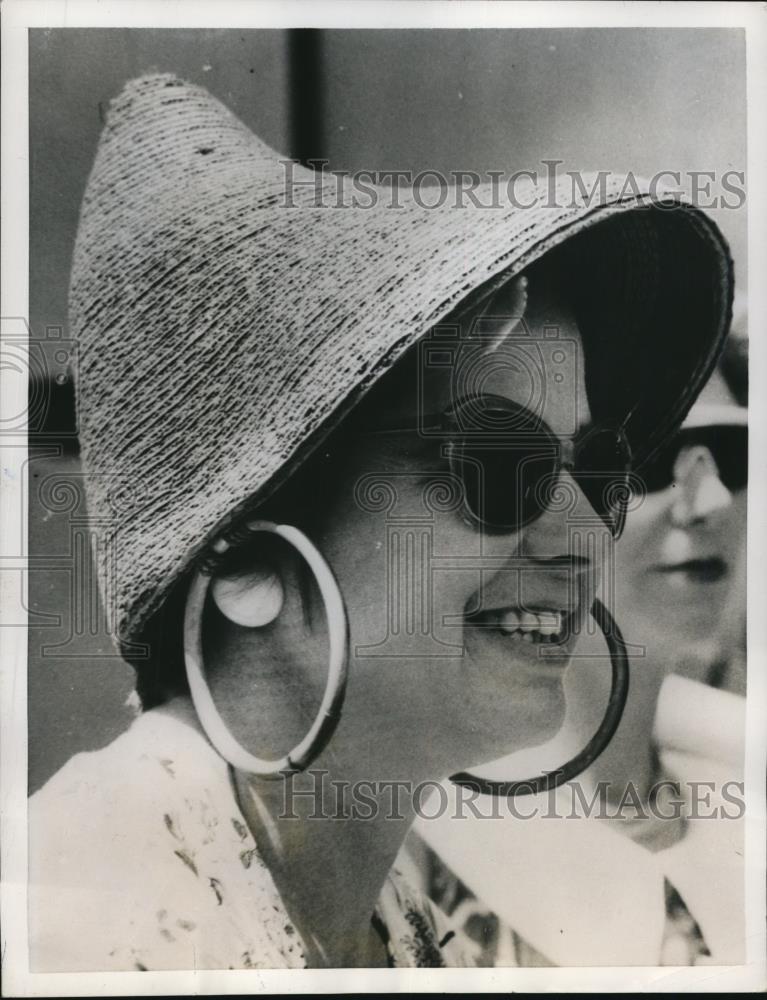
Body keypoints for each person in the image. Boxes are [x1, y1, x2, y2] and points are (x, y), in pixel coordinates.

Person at [28, 73, 733, 971]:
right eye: (496, 465)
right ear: (242, 561)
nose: (586, 534)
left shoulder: (383, 914)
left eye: (597, 471)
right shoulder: (83, 914)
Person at [412, 324, 748, 966]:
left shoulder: (741, 810)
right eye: (647, 456)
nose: (709, 500)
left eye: (732, 454)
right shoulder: (421, 846)